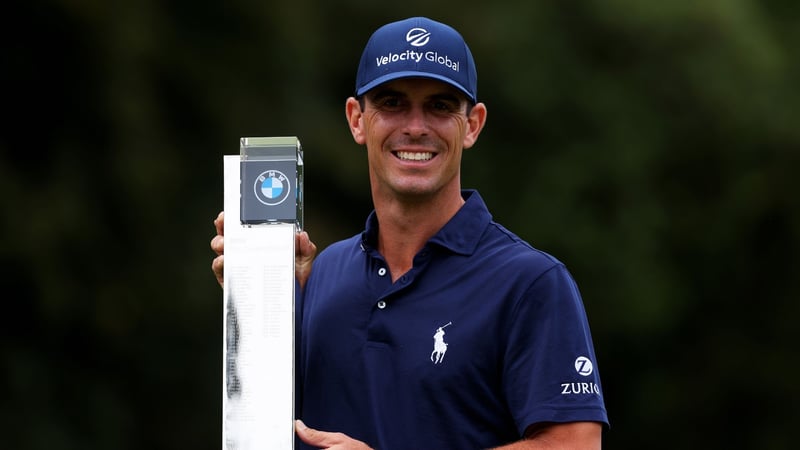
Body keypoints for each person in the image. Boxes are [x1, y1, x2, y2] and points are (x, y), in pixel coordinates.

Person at [211, 16, 609, 449]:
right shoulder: (323, 273)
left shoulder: (530, 282)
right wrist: (261, 303)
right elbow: (266, 427)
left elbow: (573, 444)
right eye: (392, 102)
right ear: (357, 120)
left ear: (472, 124)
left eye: (440, 105)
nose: (416, 126)